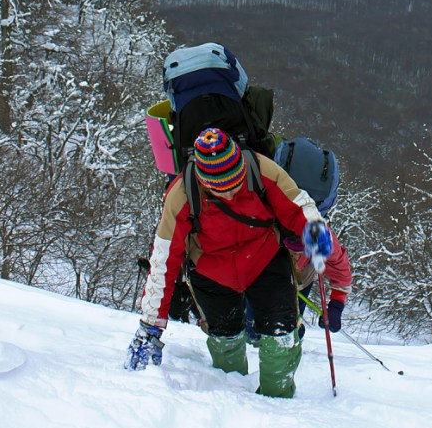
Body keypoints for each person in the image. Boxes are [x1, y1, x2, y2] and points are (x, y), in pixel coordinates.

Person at [124, 127, 332, 398]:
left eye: (235, 185)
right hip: (212, 268)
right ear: (203, 180)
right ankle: (230, 397)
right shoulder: (182, 194)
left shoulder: (262, 170)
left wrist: (315, 230)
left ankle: (278, 402)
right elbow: (164, 259)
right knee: (225, 338)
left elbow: (298, 205)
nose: (231, 195)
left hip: (263, 258)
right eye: (220, 190)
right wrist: (151, 325)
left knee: (281, 334)